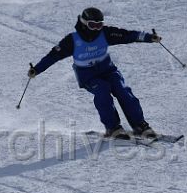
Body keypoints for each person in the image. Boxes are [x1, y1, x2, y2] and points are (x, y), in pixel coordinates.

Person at [28, 7, 162, 140]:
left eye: (99, 25)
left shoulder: (105, 33)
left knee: (123, 90)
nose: (96, 29)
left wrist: (149, 37)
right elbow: (53, 56)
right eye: (92, 25)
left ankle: (139, 125)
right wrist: (37, 69)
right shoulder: (72, 40)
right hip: (88, 76)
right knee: (102, 91)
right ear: (84, 23)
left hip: (108, 70)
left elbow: (127, 35)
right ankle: (113, 128)